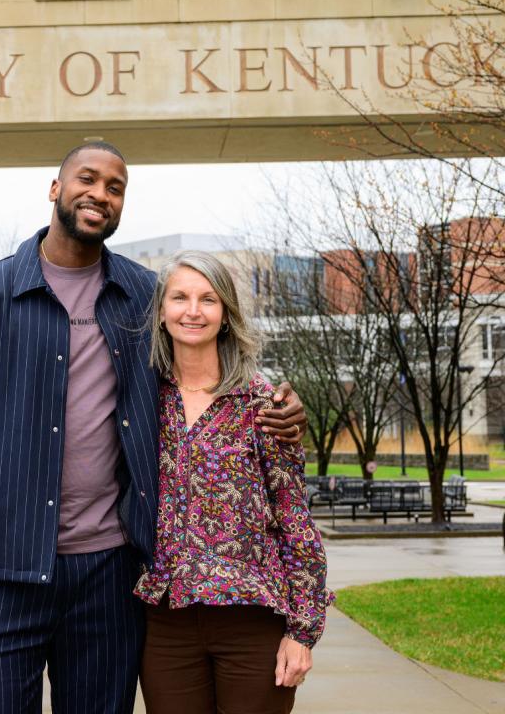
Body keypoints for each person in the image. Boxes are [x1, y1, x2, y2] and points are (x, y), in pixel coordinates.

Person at [0, 141, 308, 714]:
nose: (99, 194)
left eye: (115, 187)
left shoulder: (141, 295)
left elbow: (203, 346)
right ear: (55, 189)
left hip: (110, 573)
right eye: (87, 180)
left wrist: (282, 397)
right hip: (2, 574)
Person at [135, 250, 332, 714]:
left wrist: (302, 631)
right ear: (162, 312)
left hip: (253, 620)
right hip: (167, 624)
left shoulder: (264, 403)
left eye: (208, 299)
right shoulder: (142, 400)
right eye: (179, 297)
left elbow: (294, 519)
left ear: (225, 314)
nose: (193, 310)